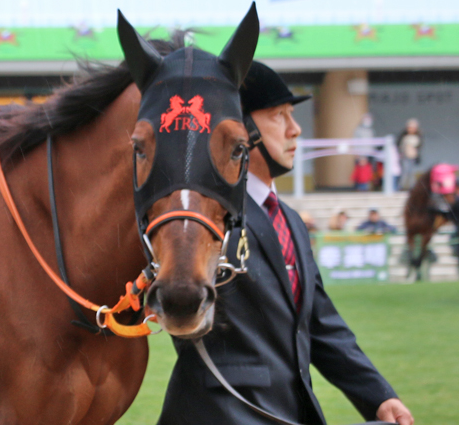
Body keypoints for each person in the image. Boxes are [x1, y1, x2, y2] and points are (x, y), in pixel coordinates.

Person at [158, 61, 413, 425]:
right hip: (219, 411)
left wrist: (379, 396)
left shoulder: (290, 220)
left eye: (291, 115)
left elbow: (320, 325)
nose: (296, 129)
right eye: (279, 116)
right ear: (241, 128)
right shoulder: (203, 218)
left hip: (288, 411)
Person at [397, 118, 423, 190]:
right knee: (404, 171)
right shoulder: (404, 136)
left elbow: (419, 146)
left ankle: (412, 187)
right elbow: (399, 145)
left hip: (413, 157)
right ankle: (401, 186)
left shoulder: (418, 137)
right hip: (404, 157)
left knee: (411, 172)